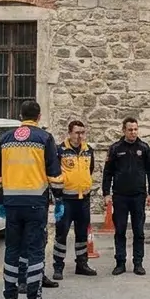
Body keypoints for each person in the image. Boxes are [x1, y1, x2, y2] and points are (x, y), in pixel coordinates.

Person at [0, 100, 62, 299]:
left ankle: (10, 297)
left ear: (20, 116)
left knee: (12, 250)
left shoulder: (5, 139)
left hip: (12, 204)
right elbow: (54, 174)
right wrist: (59, 200)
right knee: (34, 250)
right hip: (35, 203)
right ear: (39, 116)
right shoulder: (44, 138)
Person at [102, 117, 150, 275]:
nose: (133, 132)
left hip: (138, 196)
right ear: (123, 130)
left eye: (135, 129)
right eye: (130, 129)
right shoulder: (115, 148)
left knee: (139, 231)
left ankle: (138, 263)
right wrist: (106, 193)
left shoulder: (144, 148)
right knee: (120, 231)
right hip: (120, 197)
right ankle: (120, 262)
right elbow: (108, 173)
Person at [50, 120, 99, 281]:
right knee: (61, 234)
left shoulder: (88, 150)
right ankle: (58, 266)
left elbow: (89, 170)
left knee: (82, 234)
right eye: (77, 133)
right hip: (66, 199)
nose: (80, 136)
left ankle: (82, 264)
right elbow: (54, 172)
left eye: (82, 133)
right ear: (69, 133)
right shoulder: (60, 150)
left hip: (83, 199)